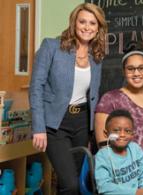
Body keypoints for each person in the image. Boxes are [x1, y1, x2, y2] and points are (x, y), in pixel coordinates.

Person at [29, 3, 107, 194]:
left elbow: (93, 94)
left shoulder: (96, 56)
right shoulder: (51, 46)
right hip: (55, 123)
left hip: (81, 123)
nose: (87, 27)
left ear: (98, 28)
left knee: (75, 182)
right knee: (69, 183)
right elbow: (36, 87)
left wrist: (93, 130)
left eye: (92, 23)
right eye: (82, 22)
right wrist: (38, 127)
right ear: (74, 22)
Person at [95, 41, 143, 191]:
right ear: (124, 71)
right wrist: (141, 167)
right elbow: (104, 143)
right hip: (121, 172)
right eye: (131, 69)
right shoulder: (110, 99)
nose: (136, 73)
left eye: (141, 68)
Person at [95, 109, 143, 195]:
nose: (122, 134)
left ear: (132, 134)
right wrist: (135, 192)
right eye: (116, 130)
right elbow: (104, 187)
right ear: (106, 134)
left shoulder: (135, 149)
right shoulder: (102, 156)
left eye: (127, 131)